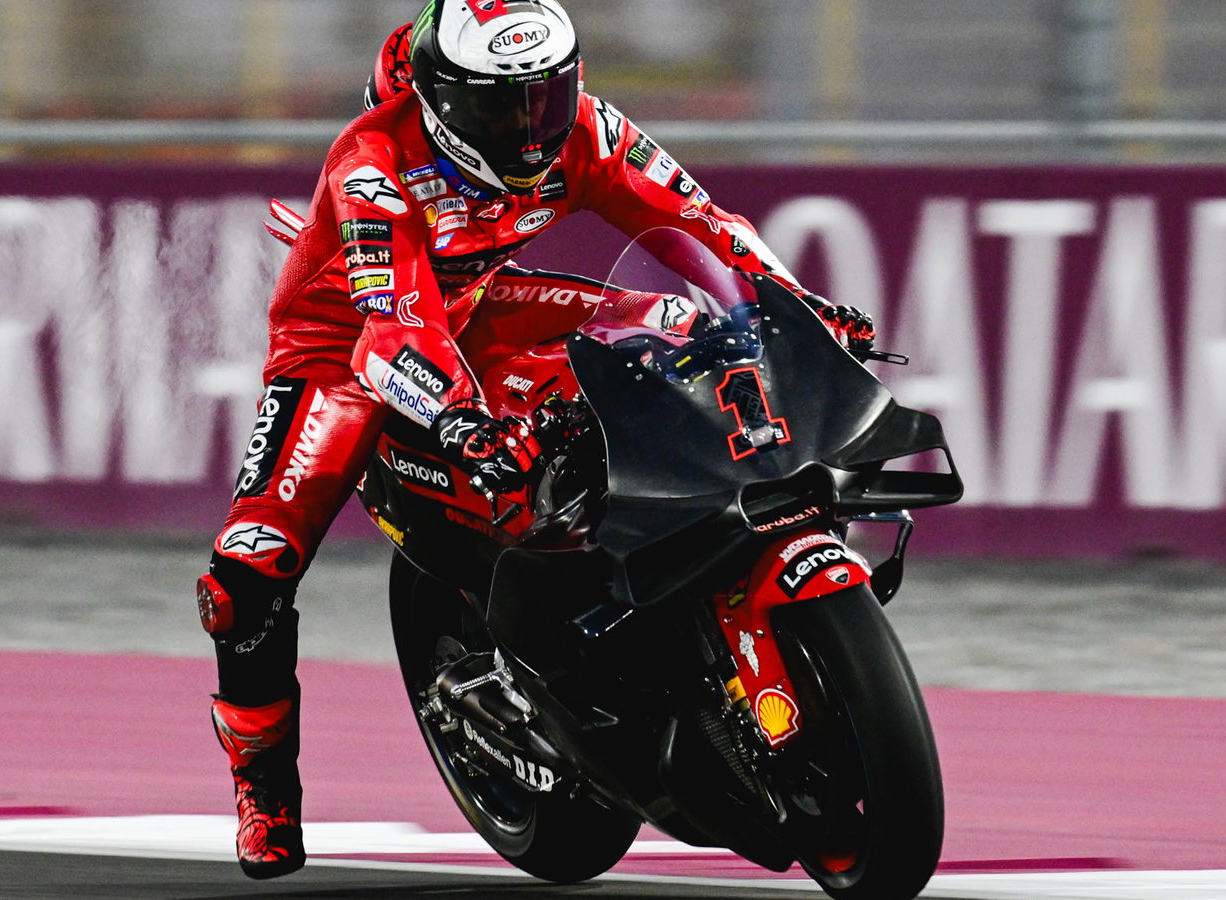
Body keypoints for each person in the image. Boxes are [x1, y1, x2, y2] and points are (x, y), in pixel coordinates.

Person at [197, 0, 876, 880]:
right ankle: (266, 797)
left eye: (545, 98)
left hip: (478, 304)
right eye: (501, 107)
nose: (531, 128)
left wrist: (799, 308)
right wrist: (464, 424)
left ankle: (682, 579)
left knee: (675, 323)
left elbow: (708, 228)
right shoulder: (373, 165)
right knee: (247, 569)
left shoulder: (588, 130)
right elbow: (391, 334)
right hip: (347, 349)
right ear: (440, 102)